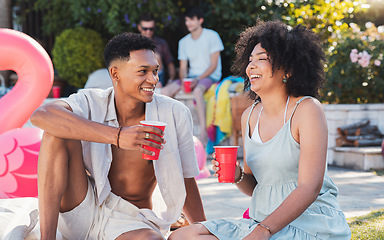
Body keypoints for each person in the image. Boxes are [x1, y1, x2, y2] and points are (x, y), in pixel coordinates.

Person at [169, 20, 351, 240]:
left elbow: (309, 188)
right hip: (260, 220)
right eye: (250, 60)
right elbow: (256, 187)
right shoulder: (250, 116)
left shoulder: (307, 110)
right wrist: (237, 176)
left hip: (309, 221)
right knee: (181, 237)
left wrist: (262, 231)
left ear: (289, 70)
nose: (251, 66)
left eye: (262, 59)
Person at [31, 32, 206, 240]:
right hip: (84, 208)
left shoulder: (174, 113)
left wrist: (206, 229)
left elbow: (186, 179)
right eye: (143, 72)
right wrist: (117, 136)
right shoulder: (91, 101)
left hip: (133, 220)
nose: (154, 80)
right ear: (115, 74)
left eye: (155, 71)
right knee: (56, 133)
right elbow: (41, 115)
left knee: (152, 239)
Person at [162, 7, 224, 146]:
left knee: (197, 91)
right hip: (192, 77)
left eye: (191, 20)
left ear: (200, 20)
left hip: (210, 76)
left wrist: (197, 79)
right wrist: (185, 81)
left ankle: (203, 133)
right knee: (165, 91)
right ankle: (169, 131)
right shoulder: (183, 42)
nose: (188, 23)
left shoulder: (212, 36)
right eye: (186, 20)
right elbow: (183, 68)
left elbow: (213, 65)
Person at [138, 12, 176, 88]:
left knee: (156, 57)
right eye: (145, 29)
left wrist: (171, 80)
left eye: (151, 29)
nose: (148, 31)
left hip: (157, 80)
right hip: (138, 78)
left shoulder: (161, 43)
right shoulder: (133, 43)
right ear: (139, 27)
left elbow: (170, 63)